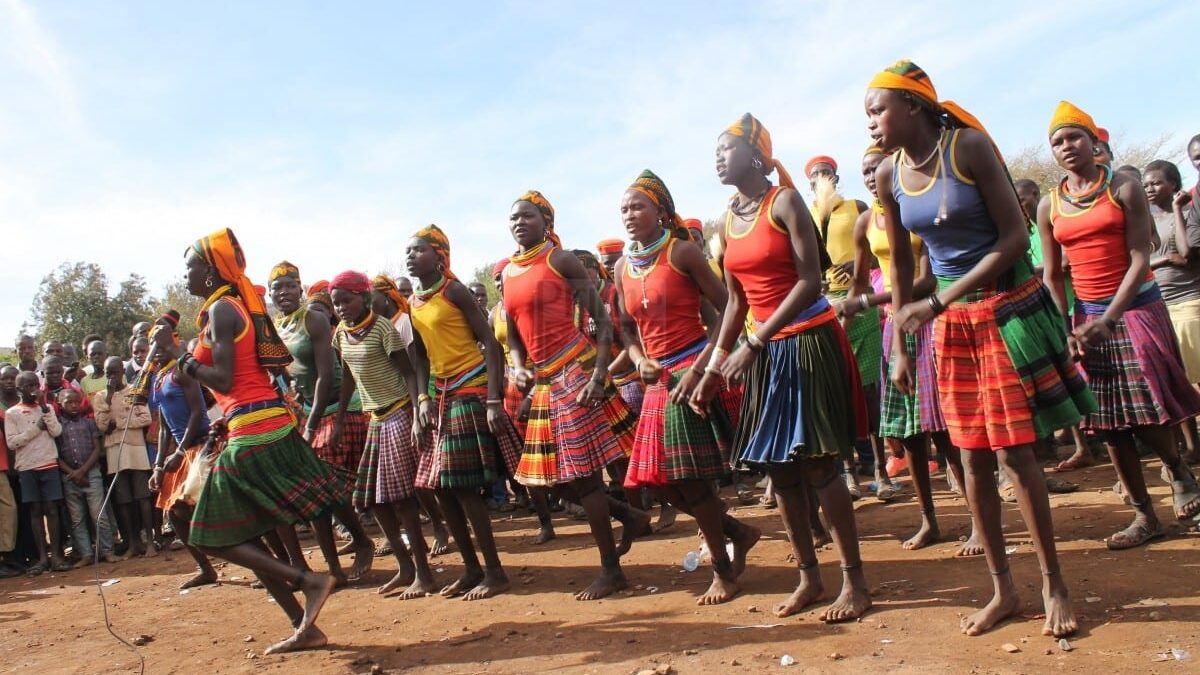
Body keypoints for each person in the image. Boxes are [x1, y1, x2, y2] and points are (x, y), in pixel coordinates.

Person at [865, 62, 1093, 638]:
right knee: (969, 459)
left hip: (1003, 307)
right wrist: (898, 345)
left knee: (1016, 455)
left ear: (914, 106)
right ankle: (1003, 590)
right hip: (952, 327)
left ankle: (1053, 584)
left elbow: (1016, 237)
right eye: (866, 114)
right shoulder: (891, 175)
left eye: (878, 109)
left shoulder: (967, 148)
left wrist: (938, 304)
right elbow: (897, 263)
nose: (870, 123)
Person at [690, 113, 870, 623]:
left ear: (756, 155)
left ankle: (854, 582)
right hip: (764, 351)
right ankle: (810, 578)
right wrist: (714, 366)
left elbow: (811, 282)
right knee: (782, 471)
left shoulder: (784, 202)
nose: (718, 159)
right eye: (715, 152)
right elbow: (734, 302)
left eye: (726, 150)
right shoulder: (727, 218)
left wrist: (755, 341)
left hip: (806, 341)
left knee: (819, 465)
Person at [152, 228, 347, 655]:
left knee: (207, 533)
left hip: (255, 428)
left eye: (190, 267)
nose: (185, 276)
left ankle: (309, 582)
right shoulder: (219, 310)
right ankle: (304, 625)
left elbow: (221, 378)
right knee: (249, 532)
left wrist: (183, 359)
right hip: (250, 422)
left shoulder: (223, 309)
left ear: (210, 271)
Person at [1039, 102, 1200, 549]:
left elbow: (1139, 258)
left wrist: (1109, 318)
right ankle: (1144, 515)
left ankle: (1179, 469)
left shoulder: (1124, 189)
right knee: (1106, 421)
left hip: (1135, 307)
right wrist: (1062, 328)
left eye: (1075, 137)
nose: (1067, 147)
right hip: (1087, 316)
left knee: (1147, 404)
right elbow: (1054, 276)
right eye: (1058, 141)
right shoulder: (1050, 206)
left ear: (1093, 143)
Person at [615, 169, 761, 605]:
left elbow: (728, 312)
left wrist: (703, 368)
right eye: (623, 208)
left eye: (638, 205)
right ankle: (736, 530)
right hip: (659, 382)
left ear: (661, 210)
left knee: (692, 484)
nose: (629, 214)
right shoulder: (623, 267)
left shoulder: (682, 254)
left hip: (691, 374)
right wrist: (639, 359)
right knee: (658, 483)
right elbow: (624, 328)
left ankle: (722, 571)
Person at [503, 189, 650, 600]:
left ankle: (611, 570)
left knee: (583, 480)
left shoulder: (560, 260)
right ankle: (629, 516)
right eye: (513, 217)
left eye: (528, 216)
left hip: (576, 371)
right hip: (545, 382)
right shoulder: (508, 274)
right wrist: (517, 366)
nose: (519, 223)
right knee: (554, 481)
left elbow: (603, 322)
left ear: (546, 222)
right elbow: (513, 333)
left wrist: (600, 373)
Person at [840, 144, 977, 552]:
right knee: (909, 434)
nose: (869, 175)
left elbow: (926, 282)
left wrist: (868, 303)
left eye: (876, 167)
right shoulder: (866, 222)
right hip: (893, 333)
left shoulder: (916, 208)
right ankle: (929, 520)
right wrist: (843, 327)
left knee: (945, 428)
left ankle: (975, 517)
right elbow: (861, 282)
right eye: (864, 170)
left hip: (930, 320)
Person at [407, 224, 522, 600]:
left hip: (469, 390)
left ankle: (494, 571)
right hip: (439, 395)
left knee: (464, 488)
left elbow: (489, 343)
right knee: (439, 488)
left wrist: (492, 399)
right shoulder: (413, 302)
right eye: (409, 251)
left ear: (440, 256)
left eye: (419, 250)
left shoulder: (453, 290)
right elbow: (420, 356)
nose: (411, 256)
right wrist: (421, 401)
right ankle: (471, 568)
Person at [330, 270, 437, 599]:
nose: (341, 308)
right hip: (374, 419)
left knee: (403, 501)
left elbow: (408, 371)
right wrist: (338, 416)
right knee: (373, 500)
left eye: (346, 300)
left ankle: (423, 574)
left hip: (398, 413)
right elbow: (348, 375)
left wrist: (419, 412)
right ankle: (405, 568)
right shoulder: (340, 335)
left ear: (364, 297)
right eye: (336, 304)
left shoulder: (382, 328)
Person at [270, 261, 376, 583]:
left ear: (300, 289)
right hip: (306, 411)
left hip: (335, 407)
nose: (284, 292)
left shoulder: (313, 319)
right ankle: (333, 570)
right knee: (313, 493)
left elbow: (326, 374)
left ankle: (361, 540)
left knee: (325, 487)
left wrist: (312, 423)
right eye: (277, 288)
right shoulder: (278, 325)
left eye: (290, 286)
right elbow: (281, 372)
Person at [807, 155, 883, 500]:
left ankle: (881, 470)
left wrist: (860, 263)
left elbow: (880, 248)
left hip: (861, 304)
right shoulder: (805, 214)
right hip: (825, 309)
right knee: (836, 393)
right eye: (815, 175)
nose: (821, 178)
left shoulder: (858, 207)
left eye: (826, 173)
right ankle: (849, 472)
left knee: (869, 391)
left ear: (836, 176)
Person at [370, 273, 452, 556]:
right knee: (405, 480)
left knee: (424, 476)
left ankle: (442, 524)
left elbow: (416, 367)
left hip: (411, 403)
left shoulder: (404, 323)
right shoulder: (377, 326)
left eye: (371, 298)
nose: (368, 304)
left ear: (385, 297)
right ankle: (429, 526)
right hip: (390, 408)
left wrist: (419, 406)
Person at [489, 259, 556, 543]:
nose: (499, 282)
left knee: (554, 454)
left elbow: (545, 349)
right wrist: (498, 396)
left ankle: (584, 505)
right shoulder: (494, 315)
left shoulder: (530, 305)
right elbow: (495, 355)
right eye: (496, 279)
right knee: (524, 463)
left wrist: (532, 393)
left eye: (503, 276)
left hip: (542, 384)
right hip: (511, 391)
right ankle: (545, 522)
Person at [146, 330, 218, 589]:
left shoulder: (182, 370)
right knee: (175, 512)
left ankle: (267, 563)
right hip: (183, 452)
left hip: (201, 446)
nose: (155, 352)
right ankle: (205, 568)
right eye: (153, 348)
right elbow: (164, 426)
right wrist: (158, 465)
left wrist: (179, 452)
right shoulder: (157, 378)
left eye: (160, 346)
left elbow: (198, 412)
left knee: (216, 509)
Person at [1144, 159, 1200, 462]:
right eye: (1146, 184)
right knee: (1177, 378)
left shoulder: (1191, 213)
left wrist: (1178, 210)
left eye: (1156, 182)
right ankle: (1193, 446)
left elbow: (1188, 250)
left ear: (1174, 185)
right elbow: (1139, 260)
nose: (1150, 189)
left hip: (1190, 300)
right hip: (1159, 303)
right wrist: (1165, 260)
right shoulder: (1145, 218)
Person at [92, 355, 156, 558]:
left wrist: (119, 424)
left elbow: (145, 418)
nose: (111, 377)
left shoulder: (134, 392)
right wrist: (109, 400)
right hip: (114, 452)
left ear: (122, 371)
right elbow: (102, 425)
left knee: (143, 496)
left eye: (115, 372)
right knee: (124, 500)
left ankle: (151, 543)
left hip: (135, 449)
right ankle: (133, 543)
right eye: (108, 373)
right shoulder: (101, 397)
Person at [6, 371, 68, 573]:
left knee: (52, 510)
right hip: (27, 467)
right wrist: (35, 429)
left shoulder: (47, 408)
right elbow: (12, 442)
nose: (33, 389)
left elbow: (57, 431)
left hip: (48, 464)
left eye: (35, 384)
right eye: (27, 386)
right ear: (18, 390)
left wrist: (44, 409)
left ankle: (57, 557)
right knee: (35, 512)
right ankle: (42, 557)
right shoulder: (12, 413)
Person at [55, 388, 114, 565]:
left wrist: (82, 471)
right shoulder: (57, 427)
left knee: (99, 514)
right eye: (69, 403)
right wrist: (72, 473)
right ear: (60, 404)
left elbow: (97, 448)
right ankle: (86, 554)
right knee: (77, 518)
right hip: (69, 477)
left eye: (76, 402)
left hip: (91, 473)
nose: (74, 406)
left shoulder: (89, 423)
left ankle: (107, 551)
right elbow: (56, 455)